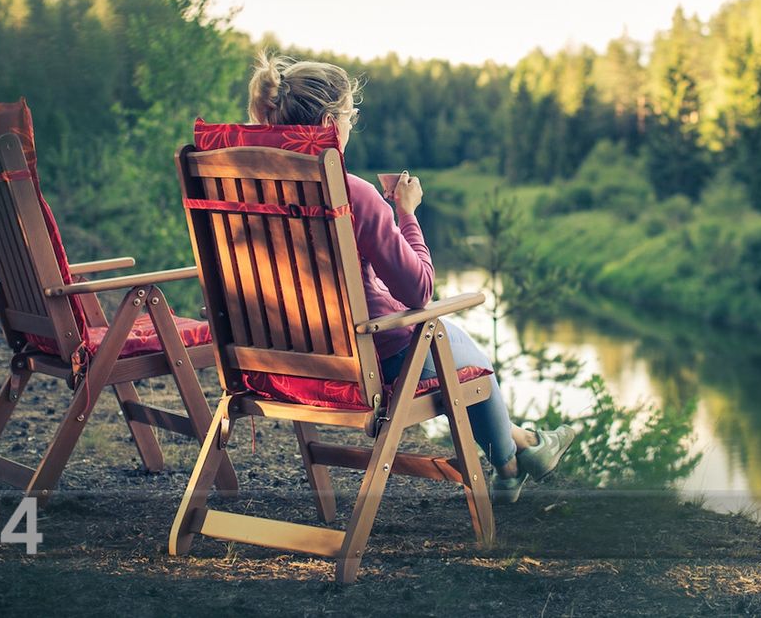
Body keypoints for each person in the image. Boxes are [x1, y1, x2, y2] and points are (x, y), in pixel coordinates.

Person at [247, 53, 577, 503]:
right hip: (372, 357)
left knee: (454, 353)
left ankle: (522, 451)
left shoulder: (246, 190)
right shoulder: (353, 194)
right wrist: (406, 213)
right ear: (328, 121)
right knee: (461, 353)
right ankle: (515, 459)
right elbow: (419, 290)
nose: (350, 124)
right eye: (349, 115)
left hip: (285, 361)